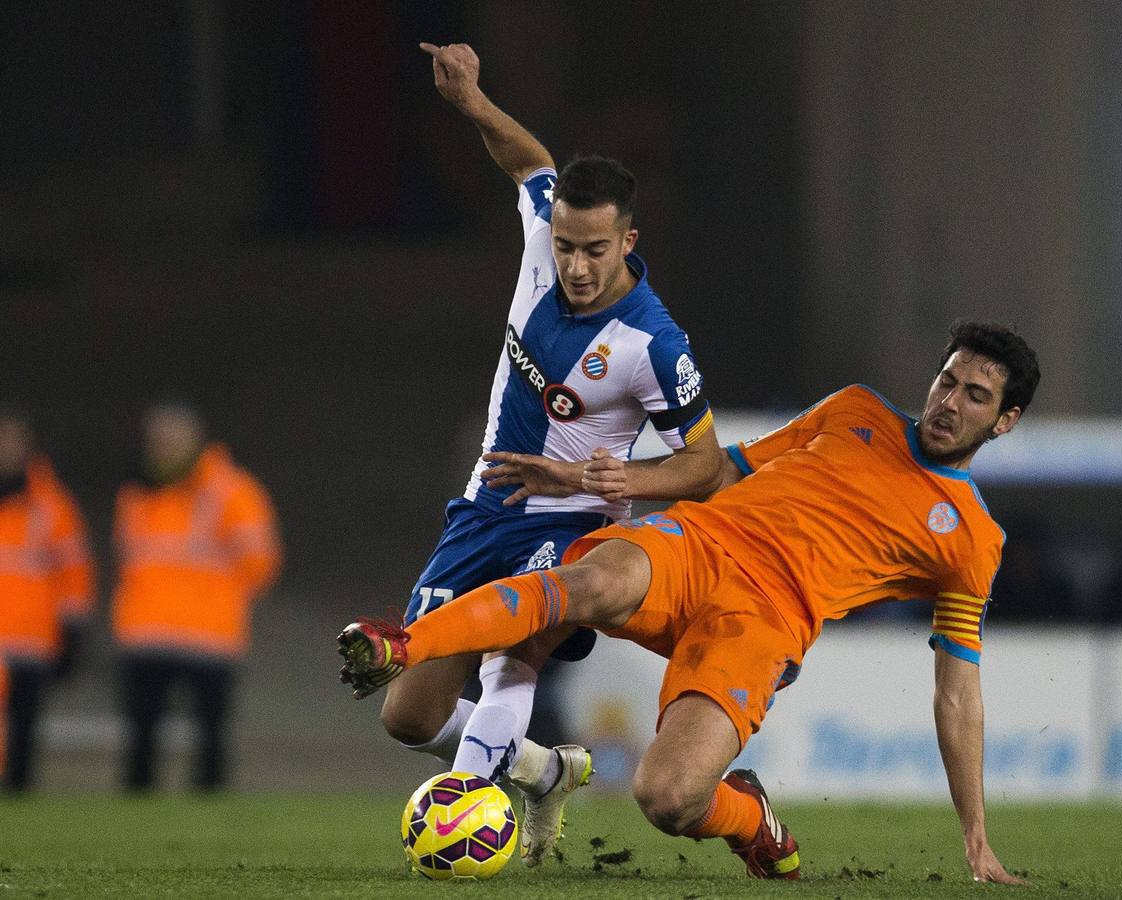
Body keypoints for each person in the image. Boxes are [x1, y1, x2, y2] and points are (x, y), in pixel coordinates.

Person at [341, 321, 1040, 884]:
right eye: (947, 379)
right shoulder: (856, 409)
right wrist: (592, 481)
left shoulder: (971, 539)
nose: (950, 402)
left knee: (667, 797)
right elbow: (721, 471)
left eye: (975, 395)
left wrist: (977, 840)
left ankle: (750, 819)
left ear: (1004, 420)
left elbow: (957, 692)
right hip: (700, 544)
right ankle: (406, 643)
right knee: (585, 586)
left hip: (766, 621)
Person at [359, 40, 724, 864]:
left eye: (595, 250)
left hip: (577, 523)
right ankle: (544, 771)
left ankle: (467, 824)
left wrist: (608, 477)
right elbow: (531, 161)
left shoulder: (653, 346)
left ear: (628, 240)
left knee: (514, 655)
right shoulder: (544, 233)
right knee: (408, 718)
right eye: (565, 246)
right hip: (487, 508)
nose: (576, 265)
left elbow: (707, 466)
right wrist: (474, 102)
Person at [111, 401, 281, 790]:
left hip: (209, 636)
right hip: (145, 633)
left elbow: (261, 561)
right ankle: (137, 821)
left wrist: (214, 596)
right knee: (140, 740)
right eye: (157, 439)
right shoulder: (137, 492)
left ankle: (209, 822)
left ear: (196, 439)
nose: (163, 447)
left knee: (210, 741)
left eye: (172, 438)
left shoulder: (231, 490)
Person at [0, 404, 95, 792]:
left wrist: (71, 634)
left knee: (24, 732)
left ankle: (19, 800)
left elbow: (73, 574)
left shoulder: (52, 505)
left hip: (30, 638)